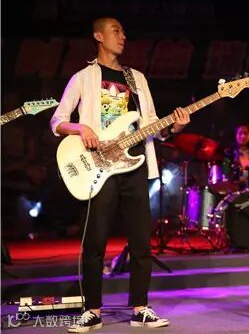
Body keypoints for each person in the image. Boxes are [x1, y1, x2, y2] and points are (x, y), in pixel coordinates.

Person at [51, 17, 190, 332]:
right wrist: (81, 128)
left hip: (134, 165)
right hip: (99, 167)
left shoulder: (136, 78)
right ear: (98, 36)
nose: (123, 36)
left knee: (141, 241)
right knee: (95, 242)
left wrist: (174, 127)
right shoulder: (83, 78)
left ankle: (140, 309)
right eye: (116, 31)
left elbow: (151, 125)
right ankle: (92, 310)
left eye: (124, 31)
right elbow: (57, 121)